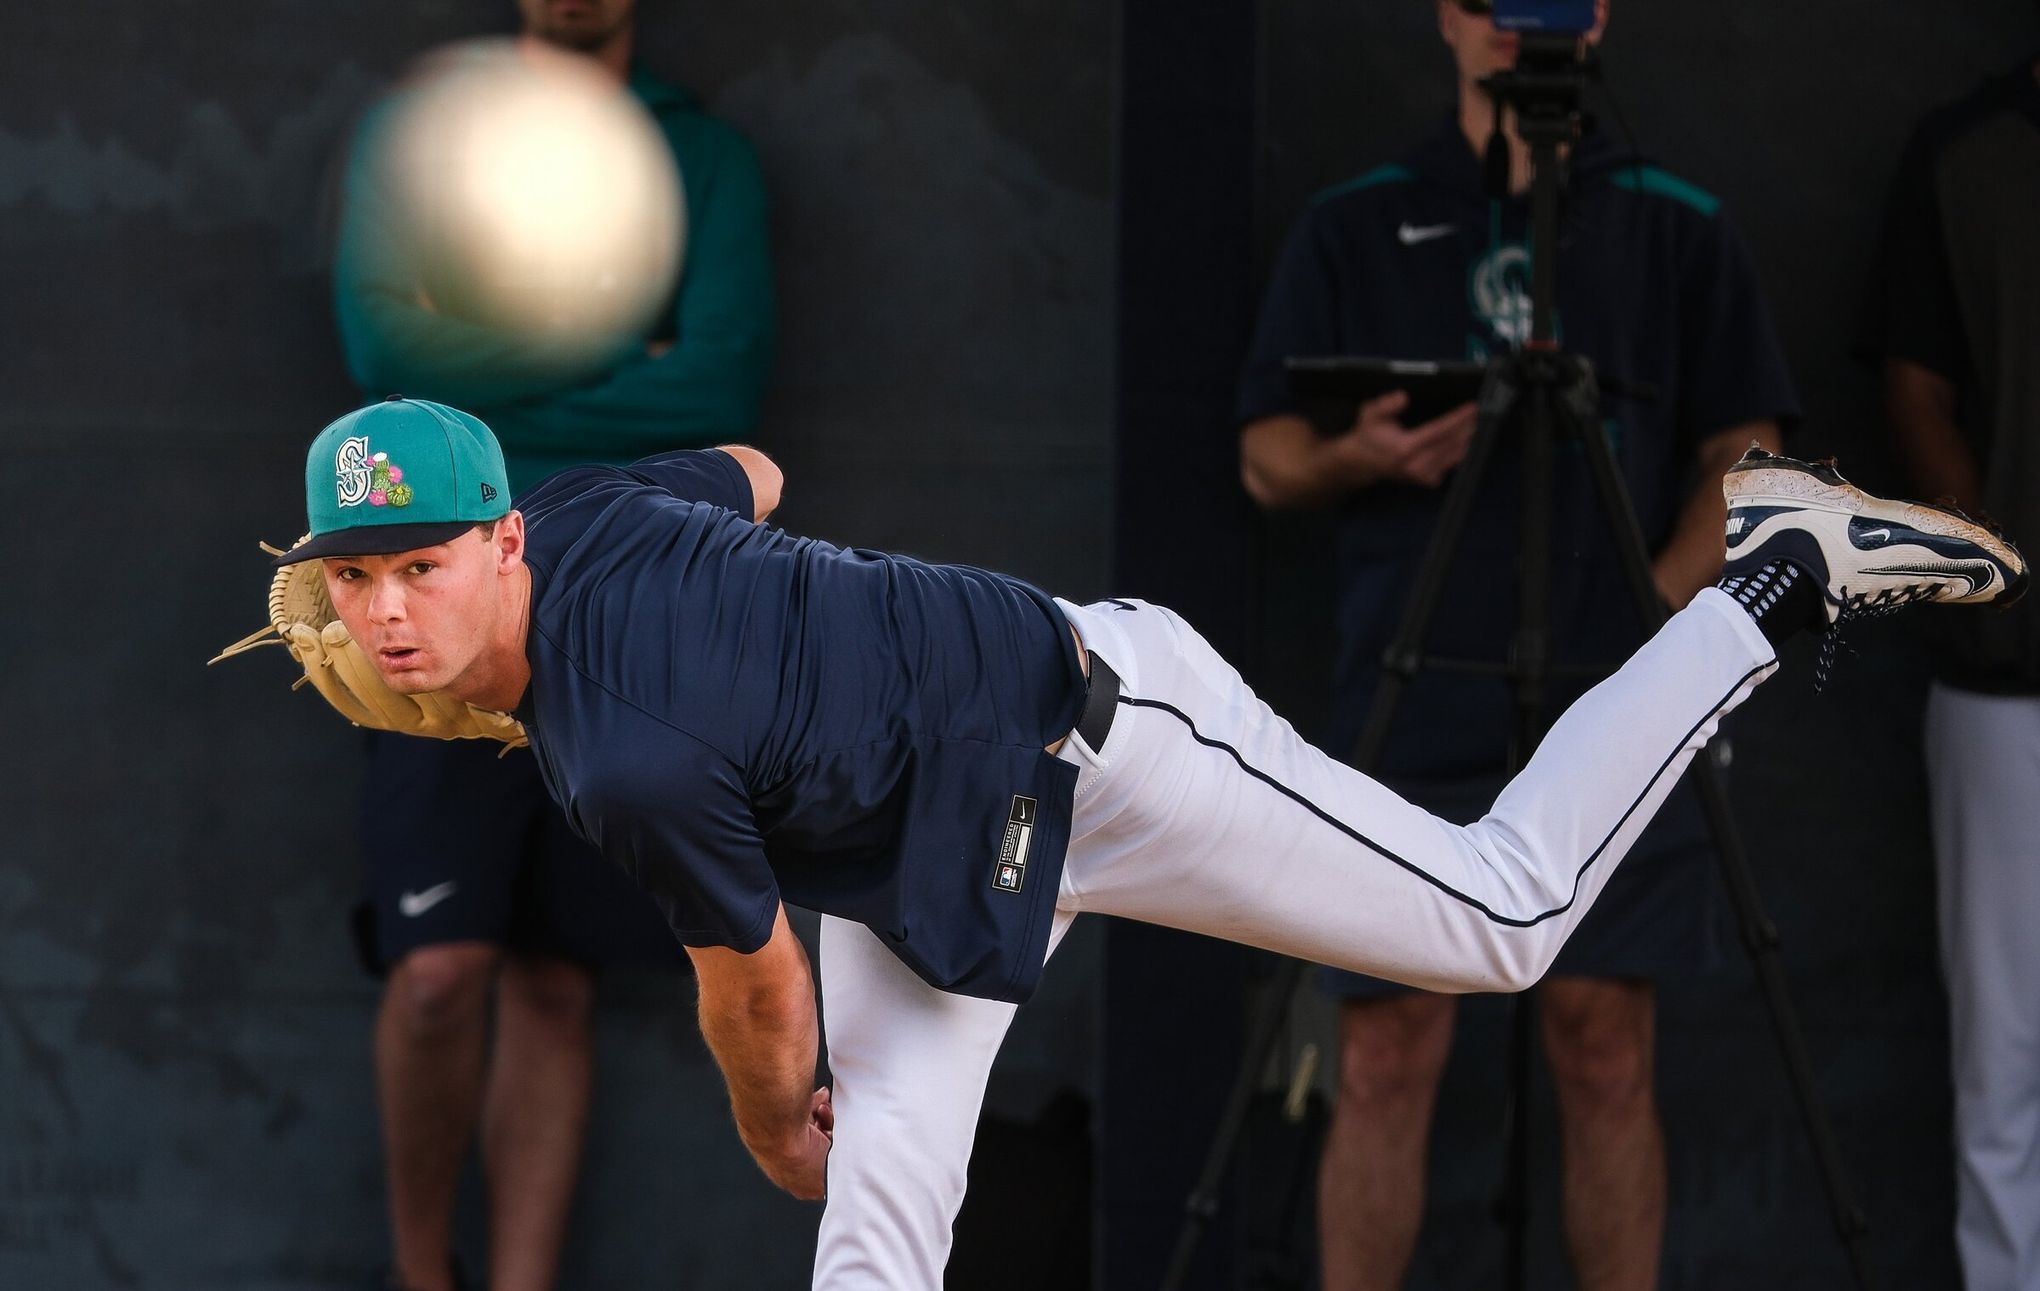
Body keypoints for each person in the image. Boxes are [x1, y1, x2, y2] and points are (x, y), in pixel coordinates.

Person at [269, 395, 2021, 1291]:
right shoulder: (596, 511)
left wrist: (774, 1119)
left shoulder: (616, 757)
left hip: (1097, 742)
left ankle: (1772, 578)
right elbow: (758, 469)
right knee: (880, 1248)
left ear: (503, 536)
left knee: (1510, 915)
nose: (390, 603)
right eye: (360, 576)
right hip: (912, 847)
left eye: (425, 559)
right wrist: (799, 656)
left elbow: (755, 1006)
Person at [1234, 3, 1798, 1285]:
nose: (1518, 28)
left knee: (1605, 1047)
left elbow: (1748, 455)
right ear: (1445, 15)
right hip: (1413, 690)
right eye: (1492, 1)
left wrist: (1653, 629)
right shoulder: (1359, 217)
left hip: (1620, 706)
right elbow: (1264, 458)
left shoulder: (1675, 221)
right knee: (1385, 1047)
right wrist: (1357, 455)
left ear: (1600, 16)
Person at [329, 3, 775, 1288]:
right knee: (437, 975)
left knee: (560, 980)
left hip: (620, 618)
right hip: (427, 608)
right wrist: (611, 348)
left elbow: (719, 385)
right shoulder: (421, 141)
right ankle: (425, 1275)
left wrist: (490, 372)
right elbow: (386, 352)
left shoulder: (707, 161)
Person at [1861, 54, 2040, 1291]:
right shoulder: (1972, 148)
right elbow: (1912, 380)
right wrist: (1987, 549)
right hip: (2009, 678)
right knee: (2005, 1062)